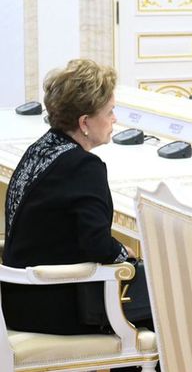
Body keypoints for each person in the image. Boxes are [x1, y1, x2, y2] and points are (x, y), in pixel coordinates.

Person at [2, 59, 152, 335]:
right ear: (85, 122)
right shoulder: (84, 167)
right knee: (163, 306)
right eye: (110, 112)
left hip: (18, 297)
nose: (114, 119)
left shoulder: (40, 148)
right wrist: (125, 254)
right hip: (53, 306)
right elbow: (96, 245)